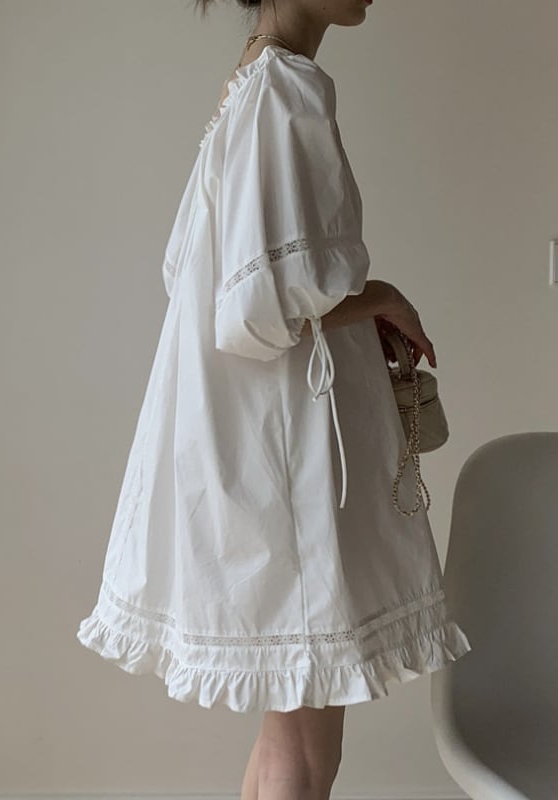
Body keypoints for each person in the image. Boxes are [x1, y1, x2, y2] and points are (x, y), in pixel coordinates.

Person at [76, 1, 472, 797]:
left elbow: (202, 279)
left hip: (264, 443)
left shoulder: (253, 84)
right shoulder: (286, 89)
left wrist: (353, 307)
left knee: (288, 727)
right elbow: (255, 307)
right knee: (306, 744)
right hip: (288, 460)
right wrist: (379, 295)